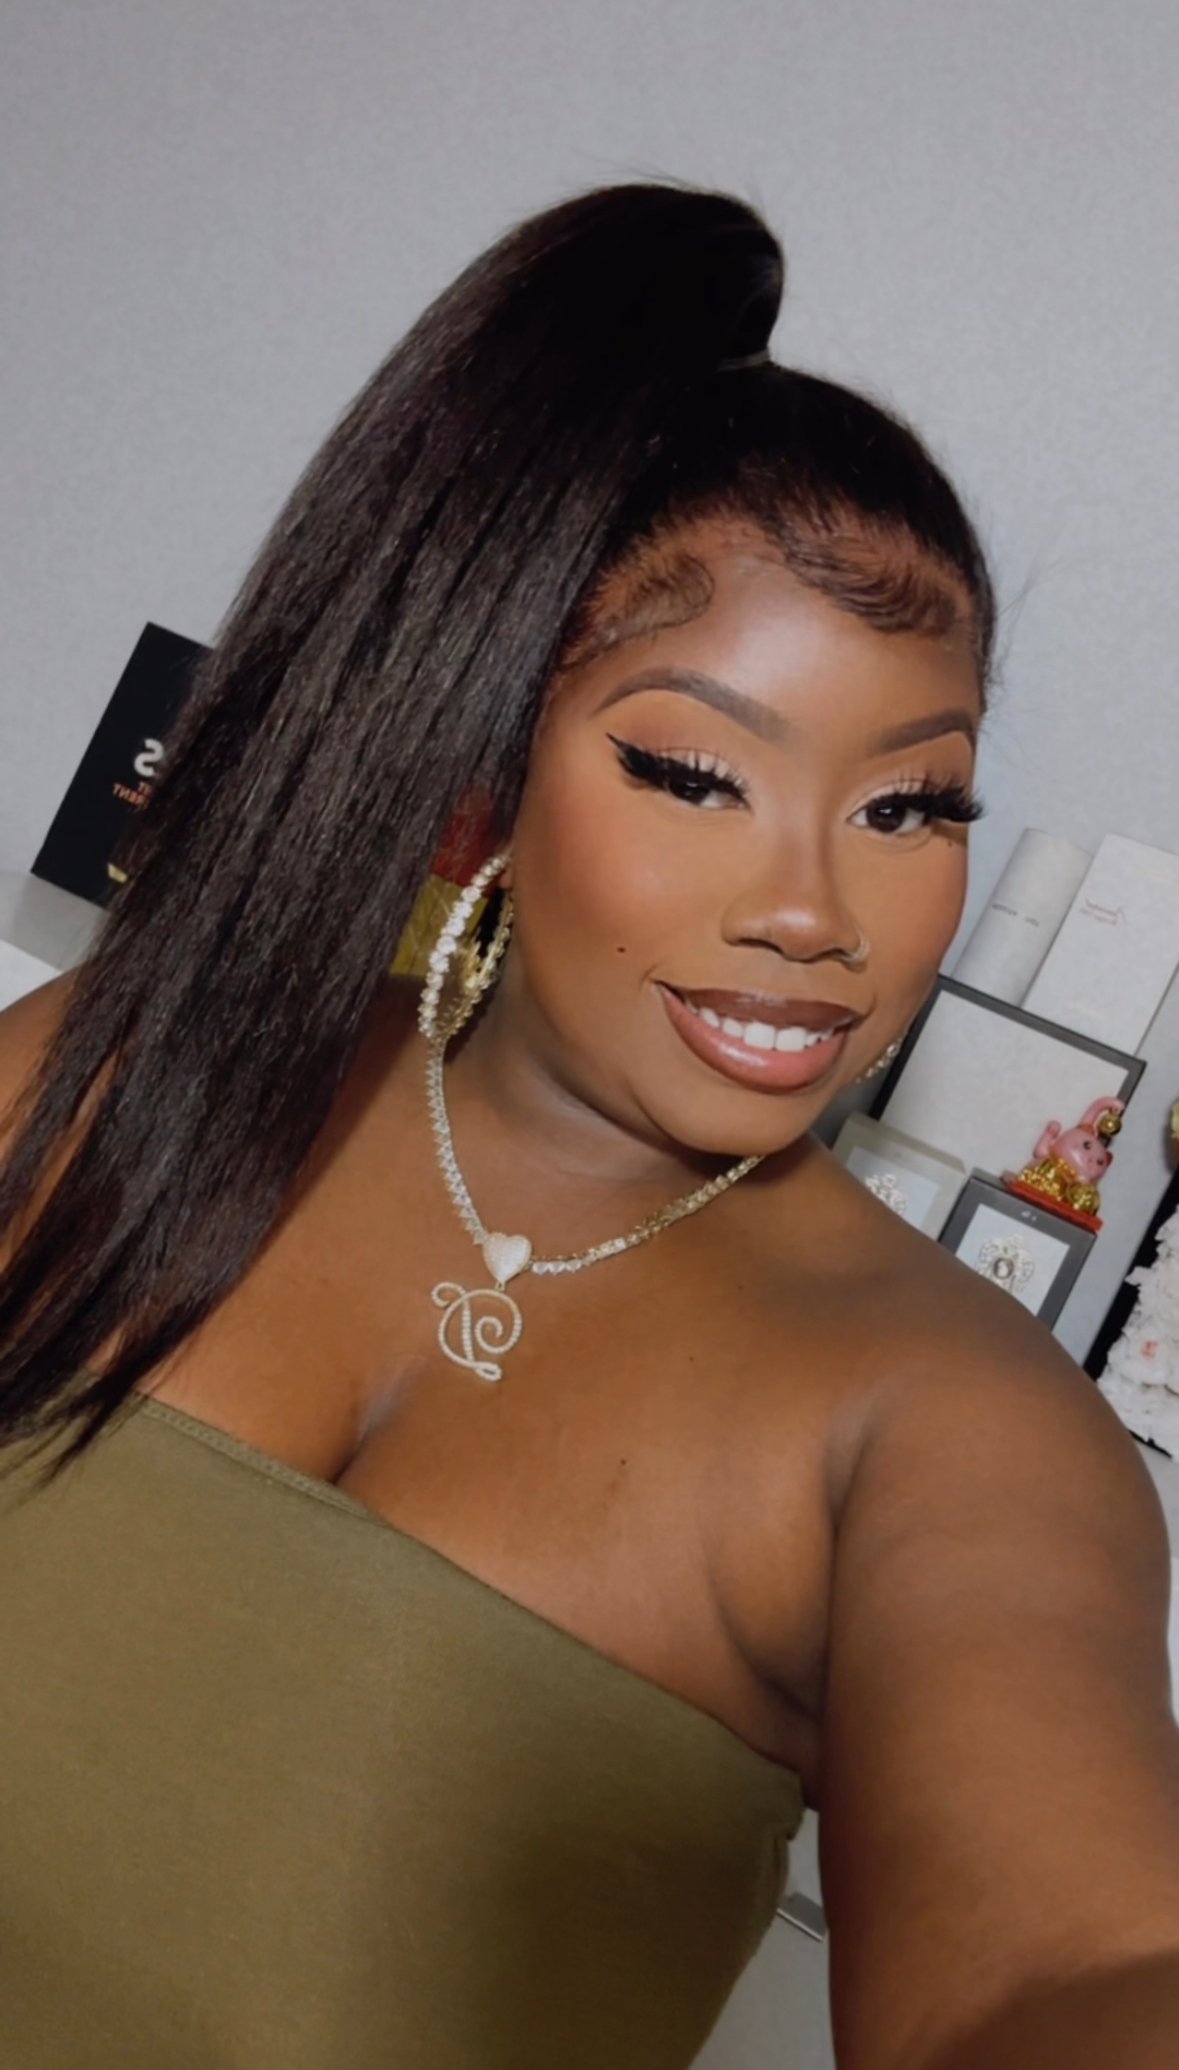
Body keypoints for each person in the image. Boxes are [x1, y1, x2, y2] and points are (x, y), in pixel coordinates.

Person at [0, 180, 1177, 2070]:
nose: (816, 911)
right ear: (487, 763)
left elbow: (1060, 1972)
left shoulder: (944, 1424)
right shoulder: (132, 1062)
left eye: (911, 806)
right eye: (697, 772)